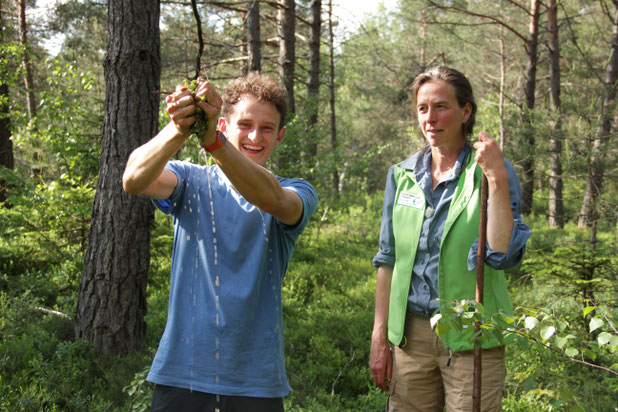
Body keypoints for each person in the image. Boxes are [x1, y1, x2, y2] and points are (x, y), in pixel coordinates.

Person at [123, 72, 318, 412]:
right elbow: (134, 179)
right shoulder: (189, 180)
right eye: (245, 124)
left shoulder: (298, 191)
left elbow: (271, 199)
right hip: (182, 373)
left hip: (255, 383)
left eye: (267, 127)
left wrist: (213, 143)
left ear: (280, 136)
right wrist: (181, 127)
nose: (255, 136)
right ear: (225, 126)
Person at [369, 66, 531, 411]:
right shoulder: (401, 175)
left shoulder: (489, 170)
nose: (430, 118)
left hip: (473, 337)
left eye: (441, 106)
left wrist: (497, 178)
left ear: (465, 111)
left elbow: (501, 253)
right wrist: (379, 338)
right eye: (422, 108)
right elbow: (388, 259)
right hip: (411, 338)